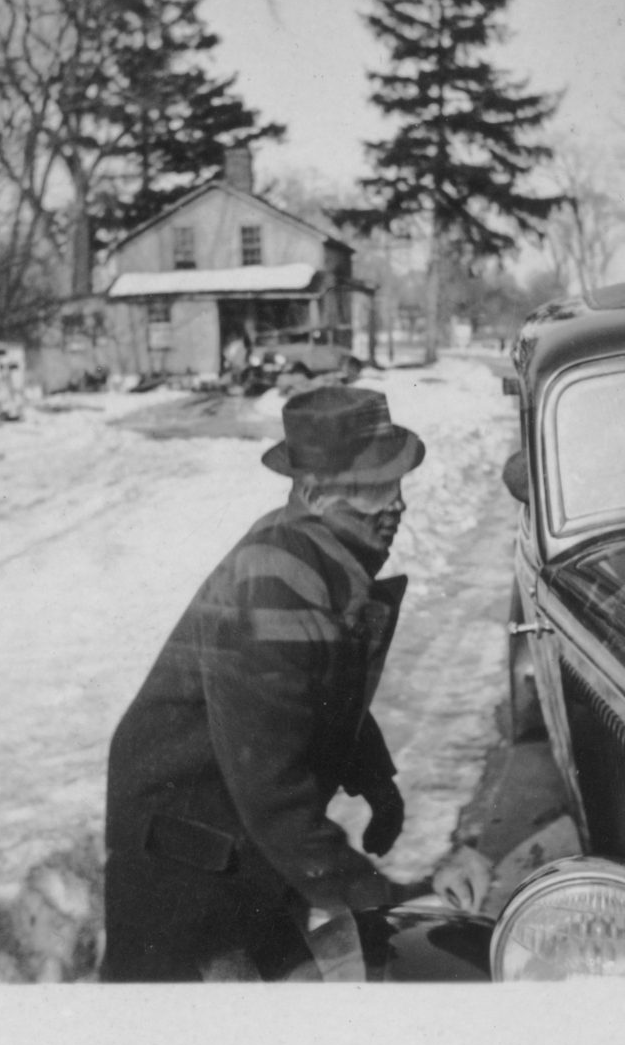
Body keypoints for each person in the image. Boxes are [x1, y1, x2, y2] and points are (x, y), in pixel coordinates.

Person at [101, 385, 425, 982]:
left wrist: (376, 780)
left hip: (233, 834)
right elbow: (268, 775)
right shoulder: (279, 574)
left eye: (397, 485)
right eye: (374, 488)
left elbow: (319, 693)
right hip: (179, 843)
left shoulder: (315, 554)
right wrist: (364, 889)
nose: (396, 505)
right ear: (314, 493)